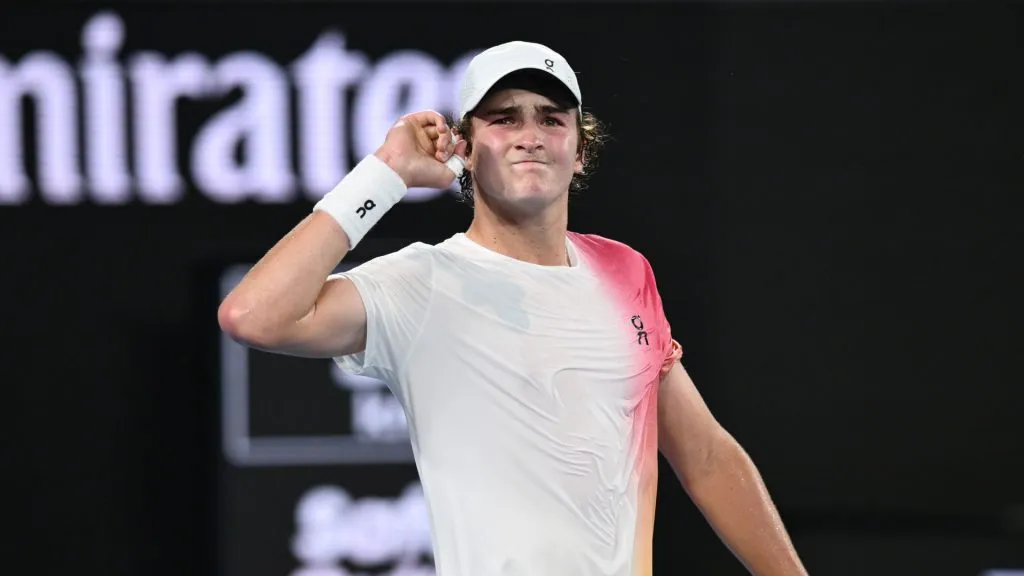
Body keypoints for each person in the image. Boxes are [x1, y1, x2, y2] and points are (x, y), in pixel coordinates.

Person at [219, 41, 807, 576]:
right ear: (465, 150)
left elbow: (705, 456)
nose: (530, 135)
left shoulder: (626, 272)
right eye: (504, 119)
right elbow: (252, 316)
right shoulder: (422, 282)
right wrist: (385, 175)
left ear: (580, 152)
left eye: (551, 119)